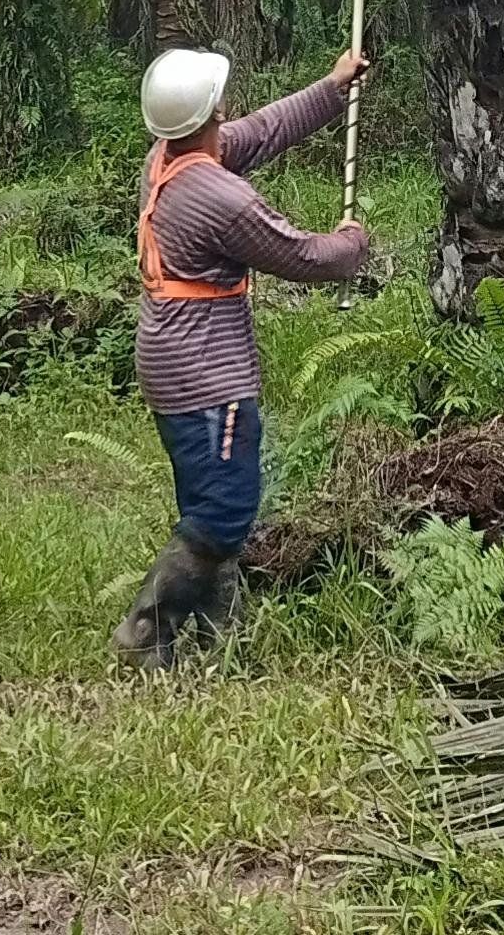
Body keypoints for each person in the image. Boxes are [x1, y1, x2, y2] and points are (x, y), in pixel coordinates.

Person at [117, 42, 373, 667]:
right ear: (211, 110)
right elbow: (304, 257)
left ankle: (210, 639)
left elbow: (261, 131)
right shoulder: (219, 200)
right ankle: (145, 632)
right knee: (225, 513)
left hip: (170, 360)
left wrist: (332, 87)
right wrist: (353, 243)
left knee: (207, 499)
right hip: (207, 376)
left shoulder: (169, 158)